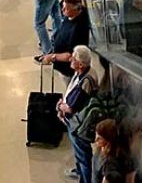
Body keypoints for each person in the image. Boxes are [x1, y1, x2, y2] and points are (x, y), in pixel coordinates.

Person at [57, 45, 96, 183]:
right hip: (74, 123)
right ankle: (80, 172)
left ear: (80, 64)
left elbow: (72, 108)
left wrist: (61, 106)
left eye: (73, 58)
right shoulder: (81, 73)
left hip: (78, 126)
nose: (70, 60)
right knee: (80, 155)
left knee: (83, 157)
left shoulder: (86, 81)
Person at [45, 0, 91, 78]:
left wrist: (52, 57)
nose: (62, 10)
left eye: (66, 9)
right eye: (63, 6)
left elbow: (70, 55)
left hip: (69, 70)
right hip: (61, 65)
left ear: (76, 10)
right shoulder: (71, 14)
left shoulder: (78, 29)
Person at [93, 118, 137, 183]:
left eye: (100, 138)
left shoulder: (110, 164)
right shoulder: (99, 150)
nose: (95, 140)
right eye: (96, 135)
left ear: (108, 140)